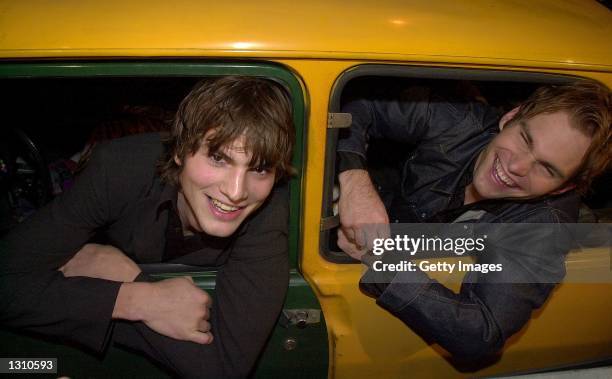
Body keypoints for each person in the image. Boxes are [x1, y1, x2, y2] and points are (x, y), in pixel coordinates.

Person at [0, 76, 295, 378]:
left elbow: (224, 369)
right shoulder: (119, 170)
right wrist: (135, 300)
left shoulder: (268, 209)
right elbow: (7, 280)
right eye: (218, 158)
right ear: (180, 150)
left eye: (259, 168)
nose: (236, 191)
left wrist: (128, 277)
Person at [336, 80, 611, 360]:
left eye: (546, 168)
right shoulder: (459, 121)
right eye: (525, 139)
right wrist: (354, 181)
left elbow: (480, 333)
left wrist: (382, 258)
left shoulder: (544, 226)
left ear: (564, 187)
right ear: (510, 117)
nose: (516, 167)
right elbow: (352, 104)